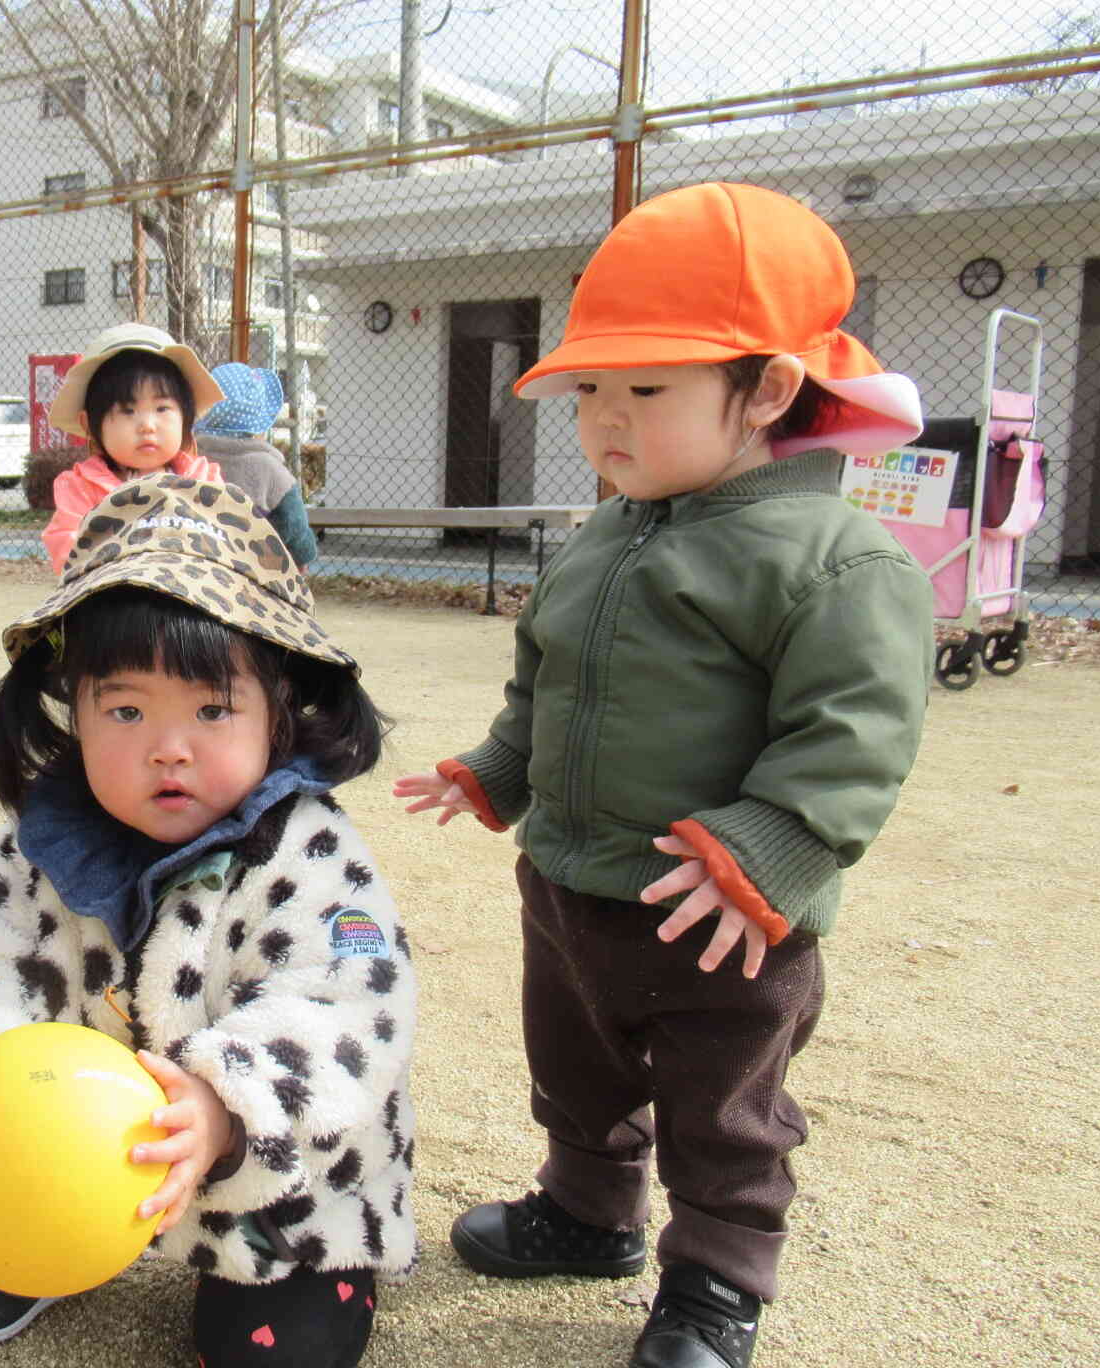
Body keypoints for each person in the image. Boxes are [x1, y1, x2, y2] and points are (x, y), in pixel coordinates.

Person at [394, 183, 934, 1368]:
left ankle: (714, 1282)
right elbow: (549, 675)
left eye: (645, 389)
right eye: (588, 389)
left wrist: (773, 847)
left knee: (721, 1108)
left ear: (769, 390)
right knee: (573, 1067)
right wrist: (497, 770)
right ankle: (588, 1213)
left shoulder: (831, 560)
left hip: (721, 913)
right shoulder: (606, 533)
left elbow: (854, 729)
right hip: (573, 887)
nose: (603, 421)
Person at [0, 477, 415, 1365]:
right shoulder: (42, 839)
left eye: (213, 710)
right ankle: (43, 1231)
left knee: (266, 1342)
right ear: (72, 707)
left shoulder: (310, 852)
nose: (168, 748)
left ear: (279, 707)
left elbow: (348, 1009)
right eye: (127, 710)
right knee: (13, 1187)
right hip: (76, 1147)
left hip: (281, 1186)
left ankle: (307, 1269)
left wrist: (227, 1107)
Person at [39, 322, 226, 573]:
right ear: (90, 424)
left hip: (188, 599)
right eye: (128, 411)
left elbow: (228, 542)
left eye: (162, 409)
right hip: (111, 599)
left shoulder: (203, 481)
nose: (147, 426)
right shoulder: (82, 488)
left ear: (186, 416)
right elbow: (67, 548)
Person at [194, 362, 319, 568]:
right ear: (259, 427)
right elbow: (293, 524)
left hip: (200, 568)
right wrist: (302, 557)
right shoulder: (269, 469)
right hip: (255, 571)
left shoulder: (191, 458)